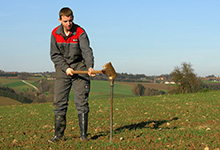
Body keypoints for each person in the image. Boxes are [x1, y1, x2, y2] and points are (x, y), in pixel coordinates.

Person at [49, 7, 95, 143]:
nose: (69, 23)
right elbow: (54, 55)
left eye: (70, 20)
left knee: (82, 102)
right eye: (65, 21)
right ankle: (58, 136)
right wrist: (65, 68)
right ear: (60, 20)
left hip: (80, 68)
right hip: (63, 71)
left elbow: (87, 51)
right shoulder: (54, 33)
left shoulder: (80, 32)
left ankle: (83, 136)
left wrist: (90, 66)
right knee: (59, 103)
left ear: (73, 18)